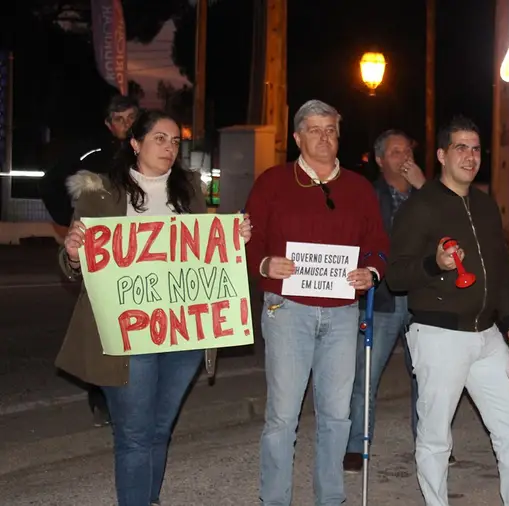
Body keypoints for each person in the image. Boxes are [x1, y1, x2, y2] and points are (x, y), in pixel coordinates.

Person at [55, 109, 250, 506]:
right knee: (134, 435)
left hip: (184, 332)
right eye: (160, 138)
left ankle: (149, 498)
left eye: (176, 140)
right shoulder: (101, 192)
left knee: (160, 429)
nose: (169, 147)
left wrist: (232, 239)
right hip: (128, 334)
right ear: (135, 143)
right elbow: (73, 268)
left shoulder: (190, 190)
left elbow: (205, 255)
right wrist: (73, 254)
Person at [386, 115, 509, 506]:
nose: (470, 157)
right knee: (436, 436)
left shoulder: (487, 206)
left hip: (487, 337)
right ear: (441, 155)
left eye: (475, 149)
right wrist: (434, 264)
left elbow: (501, 271)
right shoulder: (419, 207)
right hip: (439, 337)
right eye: (460, 148)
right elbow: (396, 275)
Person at [245, 99, 389, 506]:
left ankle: (331, 498)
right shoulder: (272, 182)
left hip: (343, 313)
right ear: (296, 137)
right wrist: (265, 263)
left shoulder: (359, 188)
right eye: (314, 129)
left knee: (337, 416)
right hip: (287, 310)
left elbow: (378, 245)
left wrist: (371, 272)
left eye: (330, 128)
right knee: (282, 417)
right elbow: (246, 244)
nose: (324, 136)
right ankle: (274, 500)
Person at [343, 129, 453, 471]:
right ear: (379, 159)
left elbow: (454, 227)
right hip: (383, 297)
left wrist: (425, 187)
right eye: (395, 152)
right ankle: (356, 444)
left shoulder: (429, 193)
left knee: (428, 376)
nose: (404, 157)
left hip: (424, 296)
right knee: (366, 375)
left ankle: (430, 444)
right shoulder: (368, 194)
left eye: (407, 151)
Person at [41, 94, 139, 427]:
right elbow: (52, 183)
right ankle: (103, 400)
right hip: (102, 252)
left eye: (131, 118)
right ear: (108, 122)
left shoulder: (141, 151)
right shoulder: (92, 151)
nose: (126, 124)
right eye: (120, 118)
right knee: (103, 326)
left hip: (139, 254)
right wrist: (71, 220)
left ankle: (134, 393)